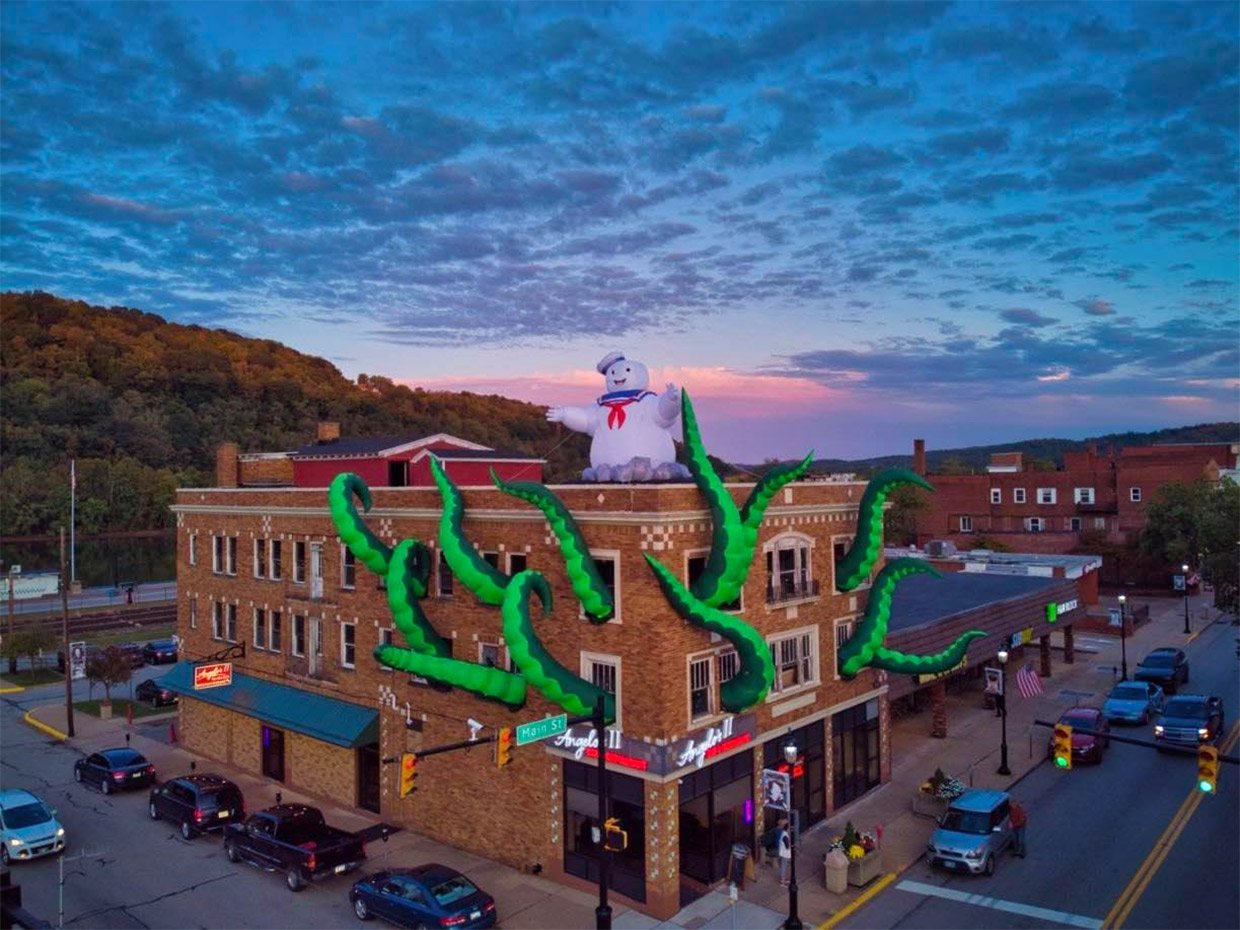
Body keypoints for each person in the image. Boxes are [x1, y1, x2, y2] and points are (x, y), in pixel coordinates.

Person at [777, 818, 792, 885]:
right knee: (783, 866)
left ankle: (784, 878)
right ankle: (782, 881)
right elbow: (787, 846)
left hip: (783, 853)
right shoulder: (785, 835)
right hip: (784, 854)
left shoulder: (783, 833)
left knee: (784, 866)